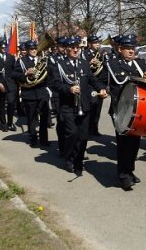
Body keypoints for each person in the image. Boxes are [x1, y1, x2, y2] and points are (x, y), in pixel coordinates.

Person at [48, 36, 107, 176]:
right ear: (67, 49)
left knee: (83, 136)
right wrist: (68, 89)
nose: (75, 50)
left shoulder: (84, 63)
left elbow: (92, 79)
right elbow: (54, 84)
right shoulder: (59, 65)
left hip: (84, 104)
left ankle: (79, 162)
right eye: (72, 48)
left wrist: (101, 88)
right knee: (72, 134)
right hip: (67, 106)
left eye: (78, 47)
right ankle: (69, 159)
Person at [108, 34, 146, 190]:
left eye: (132, 48)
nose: (131, 51)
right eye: (127, 48)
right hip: (120, 109)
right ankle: (123, 176)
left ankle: (130, 170)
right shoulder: (112, 63)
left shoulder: (140, 63)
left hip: (138, 108)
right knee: (123, 143)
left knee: (134, 143)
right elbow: (105, 81)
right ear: (120, 49)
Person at [13, 41, 50, 147]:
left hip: (42, 92)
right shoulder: (21, 61)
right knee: (31, 117)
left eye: (35, 49)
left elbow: (49, 73)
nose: (34, 51)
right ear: (28, 50)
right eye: (31, 49)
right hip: (29, 93)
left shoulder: (42, 60)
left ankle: (44, 139)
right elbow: (14, 74)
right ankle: (33, 138)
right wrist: (25, 74)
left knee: (44, 117)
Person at [82, 34, 107, 136]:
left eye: (98, 43)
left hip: (100, 83)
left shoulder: (100, 54)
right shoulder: (85, 54)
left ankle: (94, 128)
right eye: (95, 43)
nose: (98, 44)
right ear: (90, 44)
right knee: (92, 105)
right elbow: (82, 66)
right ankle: (87, 128)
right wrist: (90, 63)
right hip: (90, 84)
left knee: (98, 108)